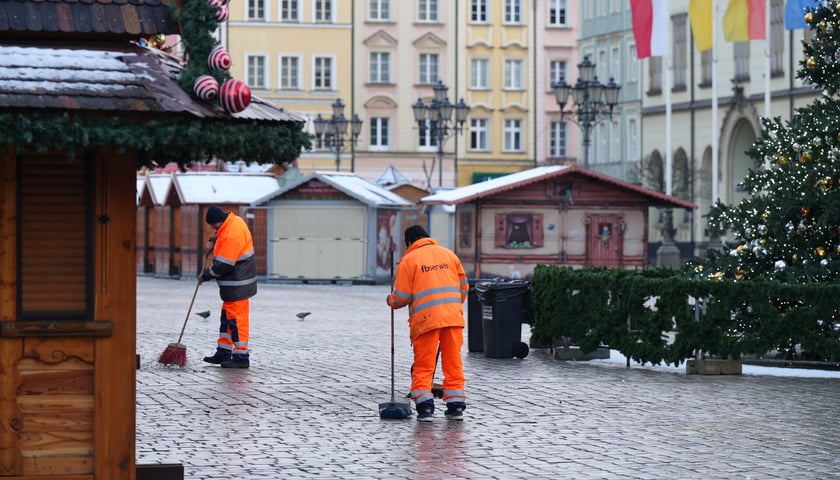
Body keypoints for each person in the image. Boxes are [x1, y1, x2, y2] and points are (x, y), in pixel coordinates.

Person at [386, 225, 469, 421]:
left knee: (424, 364)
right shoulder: (449, 255)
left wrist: (391, 300)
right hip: (452, 318)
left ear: (409, 242)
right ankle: (456, 406)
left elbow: (402, 296)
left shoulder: (409, 260)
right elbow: (464, 287)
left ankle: (425, 408)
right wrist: (450, 308)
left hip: (426, 321)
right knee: (453, 362)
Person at [200, 206, 257, 369]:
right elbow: (221, 232)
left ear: (218, 222)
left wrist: (205, 275)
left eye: (213, 227)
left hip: (237, 283)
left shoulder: (231, 235)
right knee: (227, 318)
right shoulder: (234, 221)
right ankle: (223, 352)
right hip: (235, 284)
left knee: (237, 321)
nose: (213, 229)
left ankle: (241, 357)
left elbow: (224, 265)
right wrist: (213, 240)